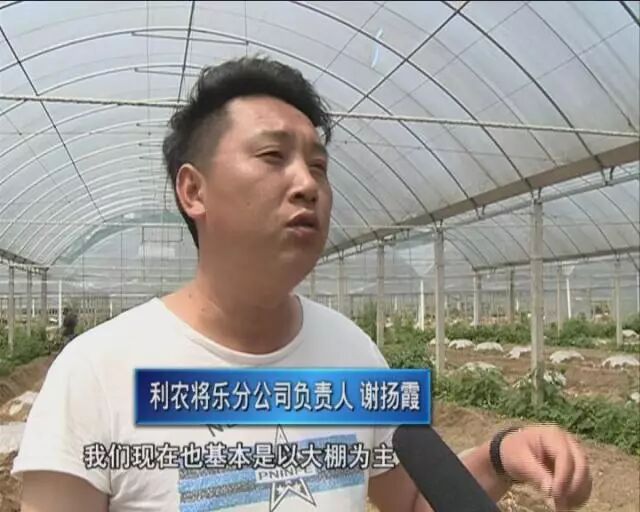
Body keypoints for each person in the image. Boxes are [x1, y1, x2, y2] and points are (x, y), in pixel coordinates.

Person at [13, 57, 591, 512]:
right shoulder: (96, 372)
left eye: (318, 166)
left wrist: (500, 455)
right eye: (273, 156)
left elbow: (414, 500)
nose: (307, 184)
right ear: (194, 191)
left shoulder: (355, 355)